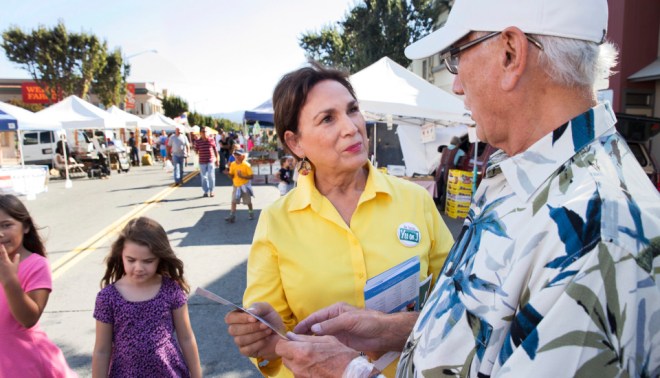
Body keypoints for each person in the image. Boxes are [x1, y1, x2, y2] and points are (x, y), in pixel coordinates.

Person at [269, 0, 660, 376]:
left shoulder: (599, 231)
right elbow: (484, 331)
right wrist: (389, 329)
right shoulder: (519, 176)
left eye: (457, 56)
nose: (455, 85)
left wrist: (349, 371)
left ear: (511, 54)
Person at [223, 62, 454, 377]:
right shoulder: (277, 220)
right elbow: (271, 344)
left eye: (353, 110)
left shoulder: (416, 201)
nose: (351, 127)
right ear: (295, 143)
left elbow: (458, 299)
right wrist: (269, 339)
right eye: (328, 119)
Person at [92, 217, 201, 378]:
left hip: (169, 372)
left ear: (160, 258)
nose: (138, 268)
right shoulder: (107, 297)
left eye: (148, 261)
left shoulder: (171, 289)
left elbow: (186, 337)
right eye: (131, 260)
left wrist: (197, 375)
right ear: (121, 255)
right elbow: (102, 350)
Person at [0, 194, 76, 377]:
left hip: (25, 362)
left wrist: (10, 282)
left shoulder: (36, 264)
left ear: (25, 226)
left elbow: (28, 319)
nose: (0, 233)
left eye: (6, 225)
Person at [223, 148, 254, 223]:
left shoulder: (247, 165)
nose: (236, 156)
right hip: (236, 186)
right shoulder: (233, 164)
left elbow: (251, 176)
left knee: (248, 202)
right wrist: (228, 174)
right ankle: (232, 216)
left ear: (243, 156)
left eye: (238, 155)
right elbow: (232, 176)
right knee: (233, 201)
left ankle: (251, 212)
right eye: (235, 155)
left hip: (245, 186)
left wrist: (242, 176)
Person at [194, 127, 220, 197]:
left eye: (205, 131)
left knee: (211, 176)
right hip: (202, 161)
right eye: (203, 131)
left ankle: (211, 191)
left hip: (210, 160)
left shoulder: (211, 140)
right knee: (204, 177)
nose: (204, 133)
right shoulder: (198, 141)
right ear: (200, 133)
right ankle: (206, 191)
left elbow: (215, 150)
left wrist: (217, 160)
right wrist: (195, 150)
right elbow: (196, 151)